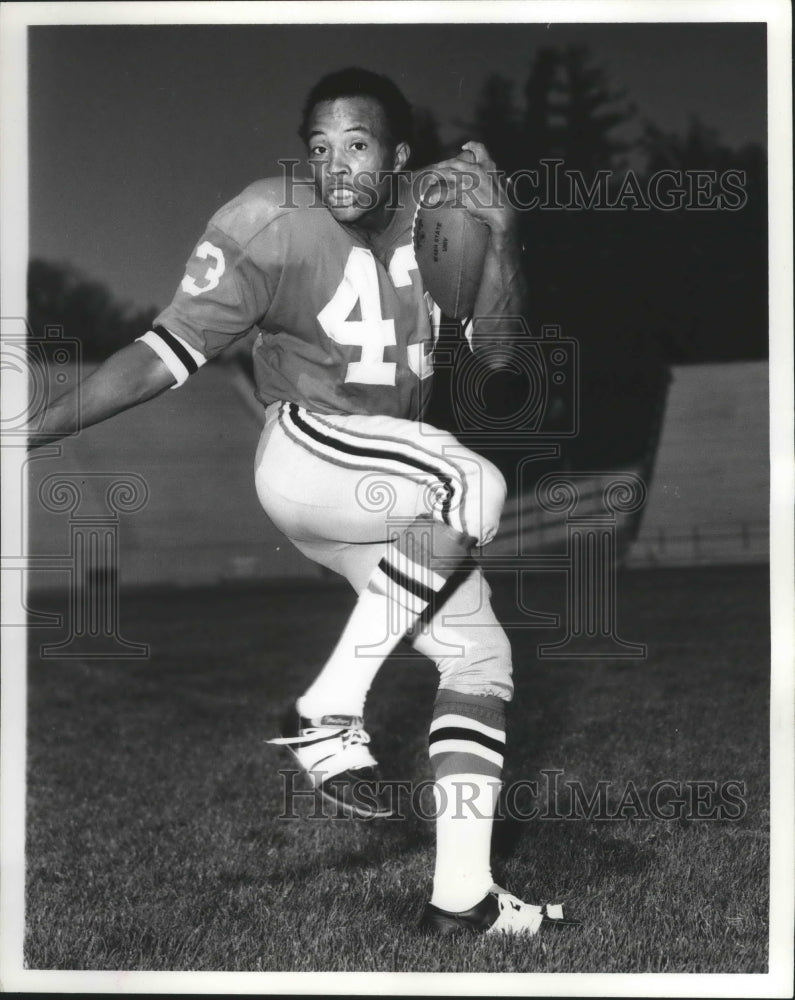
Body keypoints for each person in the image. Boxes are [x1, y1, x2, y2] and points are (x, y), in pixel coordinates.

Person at [28, 68, 577, 936]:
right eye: (318, 148)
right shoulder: (267, 218)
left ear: (398, 154)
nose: (336, 167)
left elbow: (501, 359)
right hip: (309, 449)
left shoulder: (446, 209)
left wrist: (504, 238)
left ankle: (460, 896)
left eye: (356, 145)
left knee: (479, 660)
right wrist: (37, 428)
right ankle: (327, 710)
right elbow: (161, 350)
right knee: (472, 479)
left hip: (388, 492)